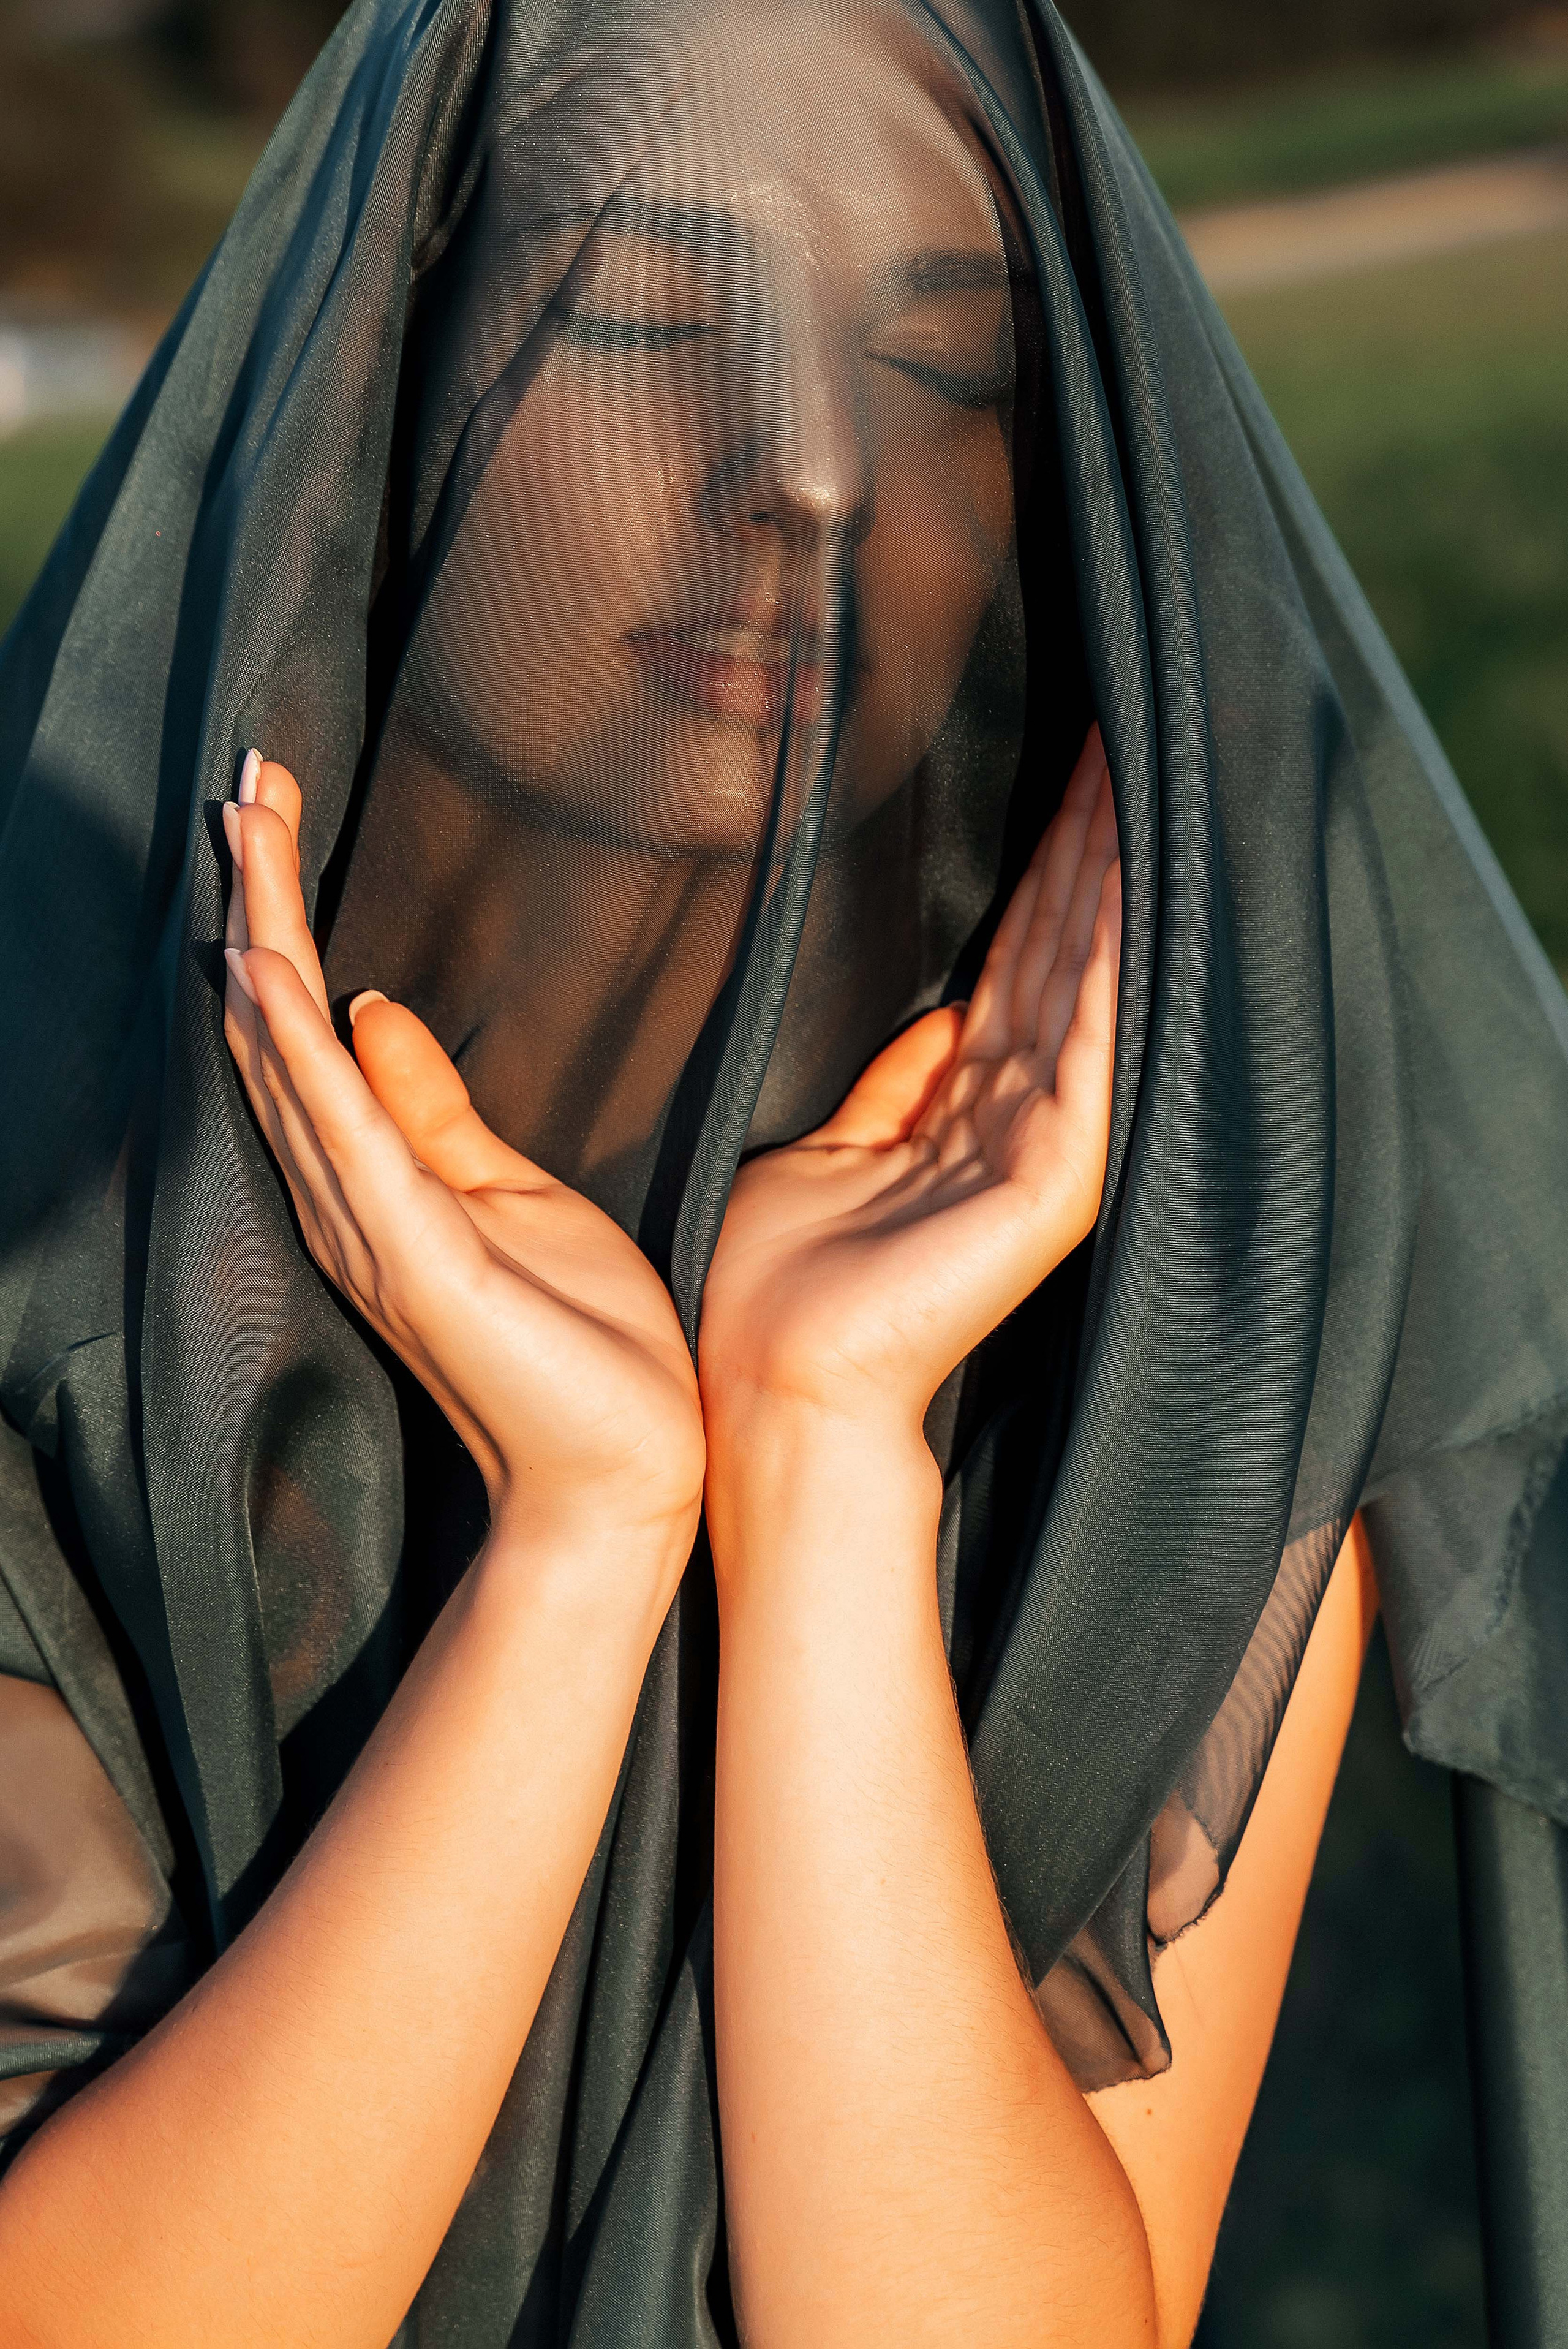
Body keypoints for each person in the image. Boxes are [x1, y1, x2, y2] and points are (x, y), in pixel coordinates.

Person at [0, 1, 1564, 2343]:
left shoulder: (1174, 1324)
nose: (811, 475)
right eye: (643, 326)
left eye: (938, 374)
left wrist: (824, 1454)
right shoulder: (54, 1248)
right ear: (399, 391)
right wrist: (582, 1534)